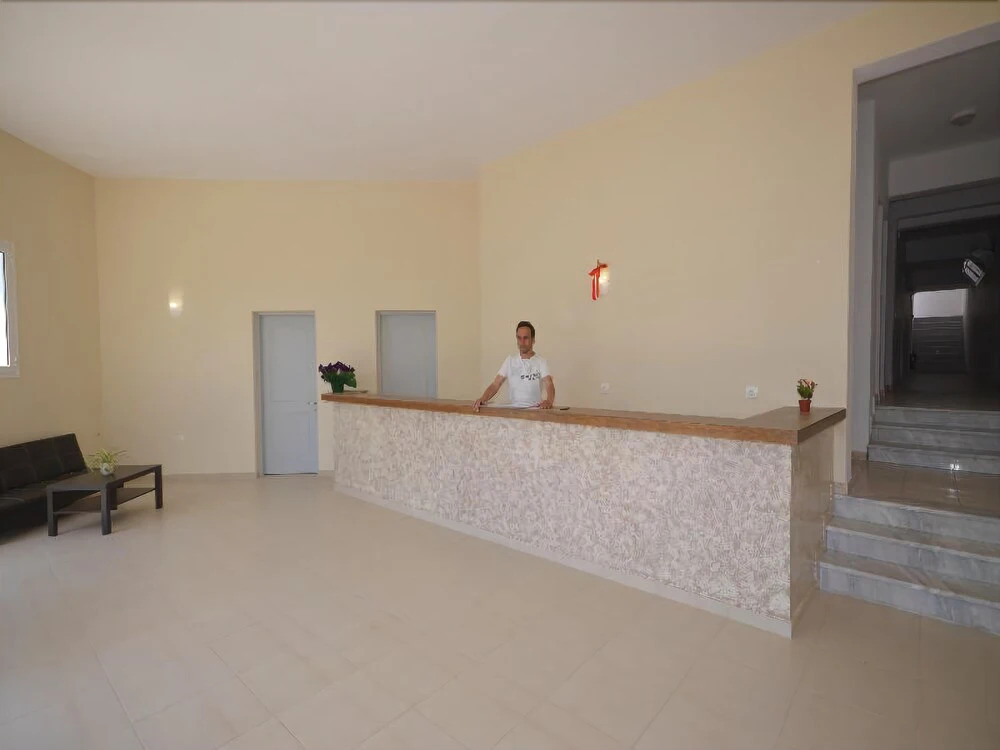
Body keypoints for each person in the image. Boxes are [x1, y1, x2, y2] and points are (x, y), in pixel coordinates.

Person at [474, 321, 555, 411]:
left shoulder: (541, 362)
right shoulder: (510, 361)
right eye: (519, 338)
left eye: (525, 338)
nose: (522, 342)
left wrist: (549, 401)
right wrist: (483, 398)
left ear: (533, 340)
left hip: (534, 411)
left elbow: (549, 383)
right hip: (513, 411)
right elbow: (495, 384)